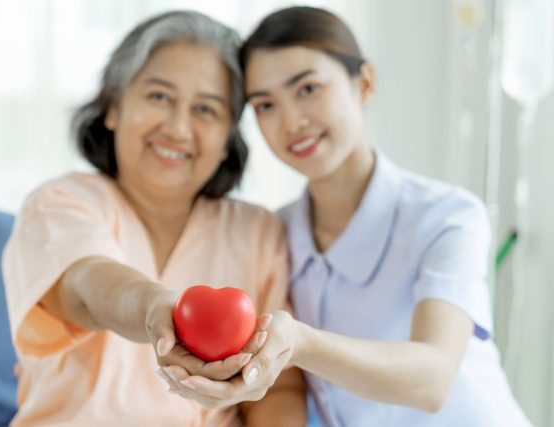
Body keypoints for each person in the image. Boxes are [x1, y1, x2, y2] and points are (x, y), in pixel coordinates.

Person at [159, 7, 532, 427]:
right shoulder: (273, 233)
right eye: (265, 105)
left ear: (365, 83)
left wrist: (301, 344)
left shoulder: (446, 217)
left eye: (308, 89)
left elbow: (432, 379)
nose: (291, 121)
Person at [2, 10, 306, 427]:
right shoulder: (59, 203)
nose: (179, 128)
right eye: (159, 97)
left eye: (206, 110)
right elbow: (87, 285)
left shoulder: (257, 231)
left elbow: (281, 386)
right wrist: (153, 308)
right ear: (113, 106)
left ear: (226, 140)